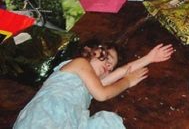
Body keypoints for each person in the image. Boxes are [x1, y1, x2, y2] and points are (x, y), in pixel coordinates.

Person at [14, 41, 174, 128]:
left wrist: (149, 58)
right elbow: (102, 94)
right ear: (88, 51)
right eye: (106, 57)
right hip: (46, 114)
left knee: (109, 123)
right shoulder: (79, 63)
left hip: (72, 121)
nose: (109, 65)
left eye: (111, 66)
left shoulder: (93, 84)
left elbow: (122, 71)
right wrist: (127, 82)